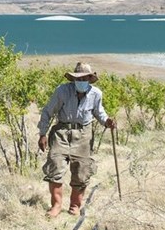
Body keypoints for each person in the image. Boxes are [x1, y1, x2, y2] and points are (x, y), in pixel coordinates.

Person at [37, 61, 115, 217]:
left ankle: (74, 205)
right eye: (78, 79)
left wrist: (107, 122)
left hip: (83, 134)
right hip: (62, 132)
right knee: (55, 167)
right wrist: (43, 133)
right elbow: (48, 111)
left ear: (89, 79)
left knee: (82, 171)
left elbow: (99, 113)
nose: (81, 81)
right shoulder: (62, 91)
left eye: (85, 78)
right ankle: (56, 205)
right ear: (73, 79)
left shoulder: (96, 94)